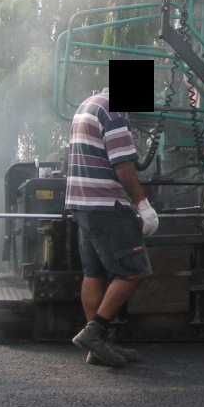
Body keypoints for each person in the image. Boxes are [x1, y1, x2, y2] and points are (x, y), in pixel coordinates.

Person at [65, 87, 159, 367]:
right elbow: (123, 166)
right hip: (106, 204)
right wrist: (142, 203)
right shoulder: (114, 111)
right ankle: (94, 333)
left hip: (81, 202)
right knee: (135, 269)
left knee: (93, 272)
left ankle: (98, 347)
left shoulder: (88, 104)